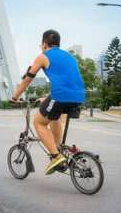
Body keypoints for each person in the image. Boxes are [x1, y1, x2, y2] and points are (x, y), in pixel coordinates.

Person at [11, 29, 85, 175]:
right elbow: (66, 81)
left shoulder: (43, 56)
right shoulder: (69, 56)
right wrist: (46, 98)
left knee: (38, 122)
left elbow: (27, 80)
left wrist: (15, 98)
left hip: (60, 96)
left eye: (41, 44)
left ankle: (56, 156)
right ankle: (57, 149)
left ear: (44, 44)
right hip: (78, 97)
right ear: (58, 43)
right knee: (53, 116)